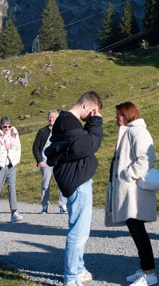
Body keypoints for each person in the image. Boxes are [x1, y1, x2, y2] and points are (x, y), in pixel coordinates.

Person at [46, 91, 104, 286]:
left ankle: (78, 269)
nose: (93, 115)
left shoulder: (67, 121)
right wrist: (96, 123)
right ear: (85, 105)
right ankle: (71, 277)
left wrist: (91, 123)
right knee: (78, 232)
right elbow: (90, 144)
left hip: (77, 179)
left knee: (81, 229)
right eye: (93, 111)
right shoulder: (69, 121)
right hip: (78, 182)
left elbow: (81, 143)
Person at [105, 102, 159, 286]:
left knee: (138, 231)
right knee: (136, 229)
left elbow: (146, 158)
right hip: (130, 190)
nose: (115, 119)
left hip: (134, 191)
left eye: (118, 115)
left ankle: (149, 273)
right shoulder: (129, 131)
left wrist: (128, 174)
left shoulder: (137, 132)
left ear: (126, 115)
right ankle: (145, 269)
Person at [0, 115, 23, 223]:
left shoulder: (14, 134)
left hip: (10, 166)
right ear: (1, 126)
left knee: (12, 189)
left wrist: (16, 160)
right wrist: (2, 147)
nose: (7, 129)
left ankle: (14, 212)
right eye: (5, 127)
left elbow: (18, 147)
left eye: (9, 126)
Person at [33, 110, 67, 213]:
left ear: (57, 118)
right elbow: (35, 147)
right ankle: (45, 205)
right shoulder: (42, 132)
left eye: (53, 117)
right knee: (45, 185)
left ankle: (62, 205)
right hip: (46, 162)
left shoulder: (62, 131)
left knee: (62, 184)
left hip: (59, 162)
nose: (51, 119)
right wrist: (40, 161)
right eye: (50, 117)